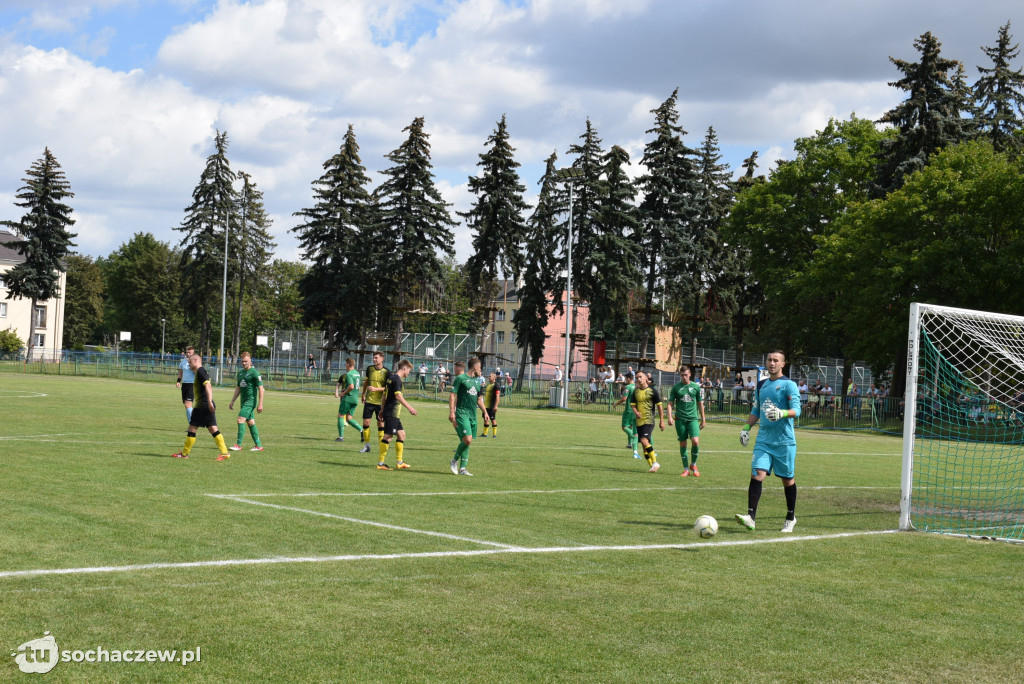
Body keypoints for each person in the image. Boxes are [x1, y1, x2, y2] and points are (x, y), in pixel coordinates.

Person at [735, 350, 802, 533]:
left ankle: (790, 517)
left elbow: (797, 410)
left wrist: (782, 413)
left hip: (784, 441)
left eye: (775, 360)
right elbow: (757, 409)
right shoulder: (762, 384)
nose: (771, 363)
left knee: (787, 480)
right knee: (757, 474)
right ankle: (750, 517)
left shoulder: (789, 385)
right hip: (763, 440)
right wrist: (746, 428)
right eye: (769, 360)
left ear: (783, 364)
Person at [172, 352, 231, 461]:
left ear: (196, 361)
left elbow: (208, 385)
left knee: (192, 427)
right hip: (206, 404)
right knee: (213, 428)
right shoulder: (199, 372)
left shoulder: (201, 371)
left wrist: (209, 402)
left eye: (190, 362)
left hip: (202, 405)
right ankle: (225, 453)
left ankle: (184, 454)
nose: (188, 364)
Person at [372, 359, 418, 470]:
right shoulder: (397, 380)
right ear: (404, 368)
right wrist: (410, 408)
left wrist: (382, 410)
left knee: (401, 435)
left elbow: (384, 395)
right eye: (409, 371)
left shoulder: (390, 379)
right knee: (388, 436)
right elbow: (398, 396)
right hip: (392, 412)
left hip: (391, 412)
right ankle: (381, 464)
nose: (409, 373)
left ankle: (399, 462)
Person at [667, 366, 706, 477]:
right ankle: (686, 469)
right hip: (680, 419)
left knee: (695, 441)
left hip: (693, 418)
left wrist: (703, 419)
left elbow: (700, 403)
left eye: (686, 375)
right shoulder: (676, 388)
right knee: (683, 443)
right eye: (682, 375)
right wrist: (669, 417)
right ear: (680, 375)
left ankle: (693, 464)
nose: (684, 377)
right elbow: (670, 404)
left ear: (690, 375)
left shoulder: (696, 387)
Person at [449, 357, 485, 476]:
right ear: (475, 367)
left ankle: (463, 469)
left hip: (472, 415)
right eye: (479, 367)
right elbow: (453, 395)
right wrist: (452, 412)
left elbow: (479, 399)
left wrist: (485, 412)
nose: (480, 369)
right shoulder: (461, 378)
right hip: (462, 413)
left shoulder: (477, 381)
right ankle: (454, 461)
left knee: (467, 442)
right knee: (467, 439)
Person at [227, 351, 265, 452]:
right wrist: (232, 401)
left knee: (240, 420)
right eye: (242, 361)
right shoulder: (240, 373)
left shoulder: (254, 373)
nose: (244, 363)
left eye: (246, 361)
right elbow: (238, 388)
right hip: (243, 402)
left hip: (250, 402)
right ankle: (258, 445)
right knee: (251, 422)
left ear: (250, 361)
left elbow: (261, 389)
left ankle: (238, 445)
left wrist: (260, 404)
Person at [631, 371, 664, 473]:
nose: (639, 379)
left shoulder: (652, 391)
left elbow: (659, 406)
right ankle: (651, 466)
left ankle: (655, 463)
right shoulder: (635, 392)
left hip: (649, 420)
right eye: (637, 377)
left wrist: (662, 421)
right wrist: (636, 412)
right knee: (644, 446)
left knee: (644, 441)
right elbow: (632, 404)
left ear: (646, 378)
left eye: (640, 377)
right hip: (639, 421)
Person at [359, 351, 390, 453]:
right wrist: (363, 394)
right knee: (366, 422)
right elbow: (366, 382)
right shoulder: (370, 369)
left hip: (381, 402)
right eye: (374, 358)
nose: (374, 359)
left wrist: (376, 389)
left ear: (382, 359)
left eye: (376, 358)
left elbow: (387, 388)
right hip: (369, 400)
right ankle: (367, 446)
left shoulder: (386, 372)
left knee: (380, 424)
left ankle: (381, 446)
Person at [334, 357, 362, 442]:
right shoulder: (357, 374)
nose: (345, 366)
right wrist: (346, 389)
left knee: (340, 415)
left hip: (348, 398)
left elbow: (351, 386)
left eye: (345, 364)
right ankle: (361, 430)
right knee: (349, 418)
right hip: (355, 398)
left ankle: (341, 437)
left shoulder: (349, 374)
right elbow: (355, 386)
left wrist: (343, 393)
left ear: (348, 364)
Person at [613, 371, 639, 458]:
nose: (625, 380)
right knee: (630, 427)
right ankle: (629, 444)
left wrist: (616, 404)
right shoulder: (637, 386)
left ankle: (635, 438)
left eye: (625, 379)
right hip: (635, 410)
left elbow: (624, 398)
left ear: (628, 378)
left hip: (629, 410)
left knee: (624, 427)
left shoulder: (628, 387)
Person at [175, 346, 196, 424]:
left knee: (188, 405)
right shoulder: (183, 361)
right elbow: (180, 372)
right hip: (185, 385)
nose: (188, 353)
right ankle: (191, 424)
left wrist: (192, 365)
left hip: (192, 384)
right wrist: (178, 381)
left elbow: (197, 373)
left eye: (189, 352)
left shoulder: (195, 361)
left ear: (193, 353)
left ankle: (194, 422)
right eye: (187, 352)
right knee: (186, 406)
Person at [481, 371, 501, 437]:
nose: (489, 377)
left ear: (494, 377)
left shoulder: (496, 385)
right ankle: (485, 433)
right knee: (485, 419)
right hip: (485, 405)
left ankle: (494, 434)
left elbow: (498, 396)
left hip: (491, 406)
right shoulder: (489, 385)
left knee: (493, 419)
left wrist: (496, 406)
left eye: (490, 376)